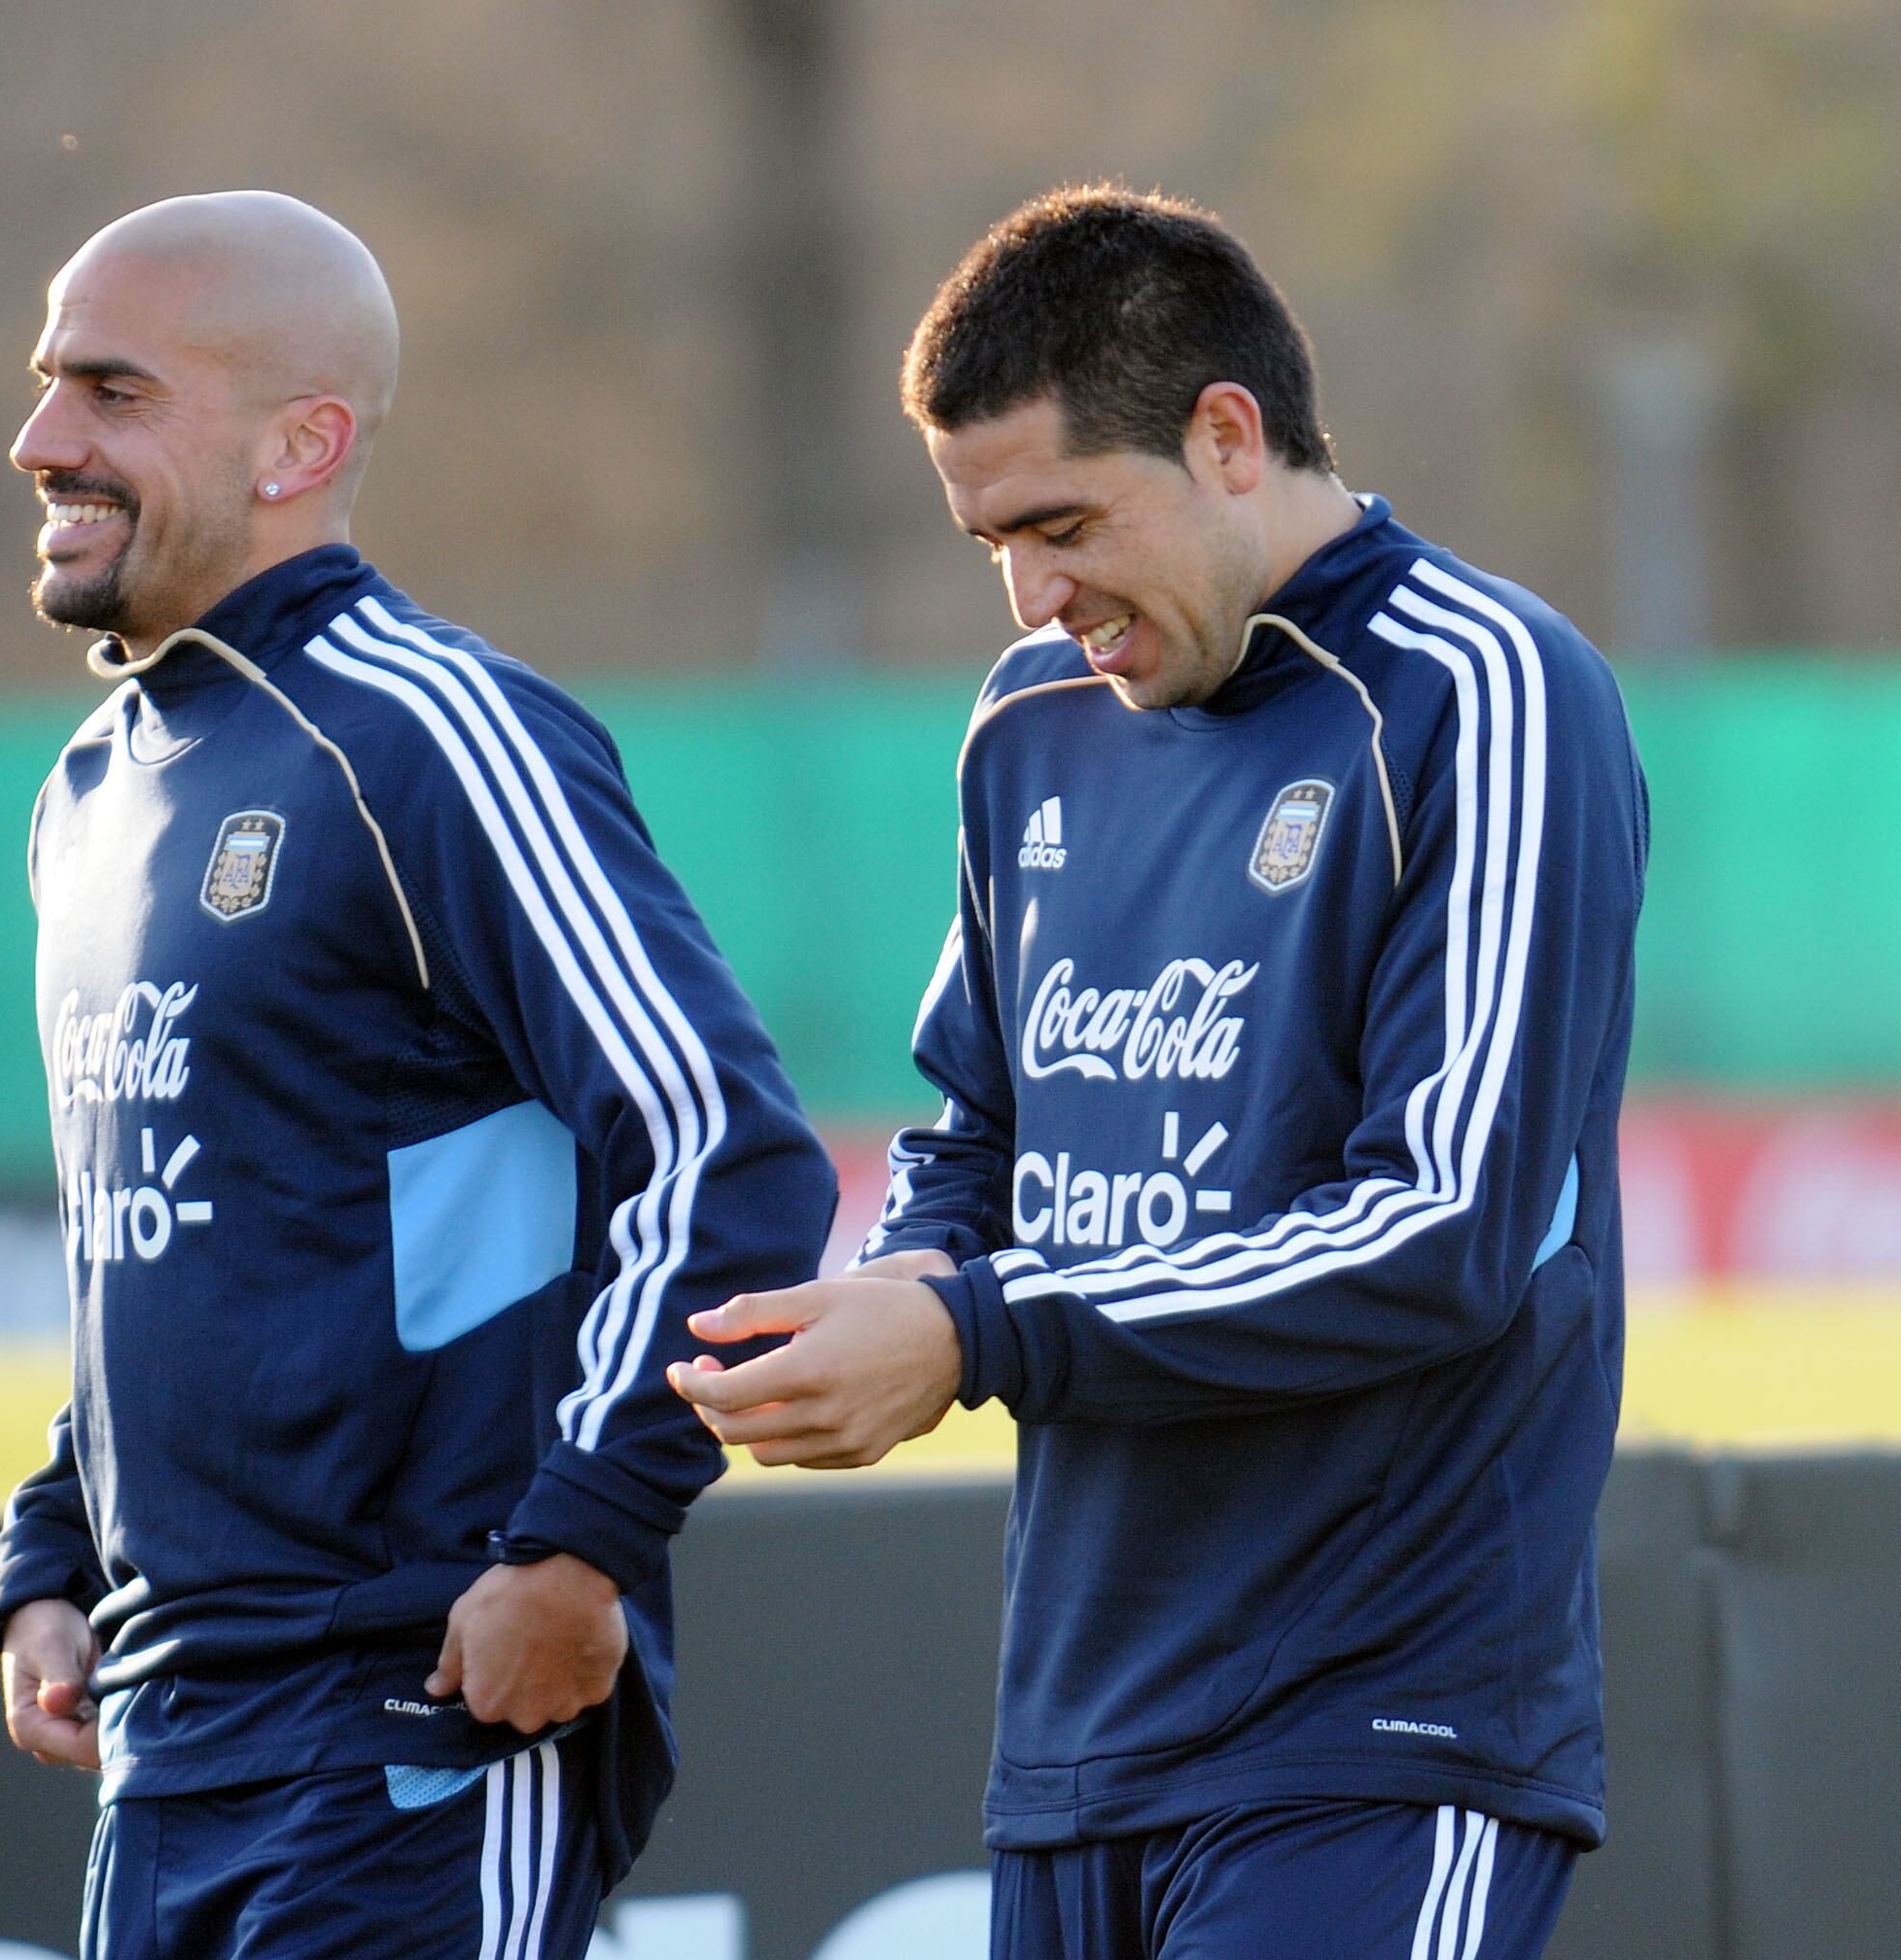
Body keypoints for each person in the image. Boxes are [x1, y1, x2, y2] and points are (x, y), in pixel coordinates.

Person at [672, 185, 1646, 1960]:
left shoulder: (1484, 689)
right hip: (1078, 1738)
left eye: (1061, 524)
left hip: (1376, 1726)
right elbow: (975, 1127)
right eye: (990, 542)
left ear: (1225, 438)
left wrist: (973, 1333)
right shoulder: (1026, 720)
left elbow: (1441, 1231)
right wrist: (901, 1284)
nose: (1035, 597)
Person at [0, 191, 836, 1960]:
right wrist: (52, 1547)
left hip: (415, 1712)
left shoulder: (433, 733)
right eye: (48, 383)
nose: (39, 439)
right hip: (167, 1731)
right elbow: (178, 1243)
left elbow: (720, 1152)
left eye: (112, 392)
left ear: (301, 444)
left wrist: (578, 1545)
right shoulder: (89, 789)